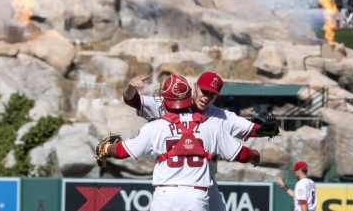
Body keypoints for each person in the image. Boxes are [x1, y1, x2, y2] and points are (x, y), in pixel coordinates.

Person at [101, 74, 260, 211]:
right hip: (197, 195)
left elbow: (121, 151)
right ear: (192, 92)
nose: (206, 97)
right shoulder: (212, 126)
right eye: (204, 91)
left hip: (166, 196)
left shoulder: (155, 126)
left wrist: (106, 148)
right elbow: (242, 154)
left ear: (166, 101)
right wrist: (255, 155)